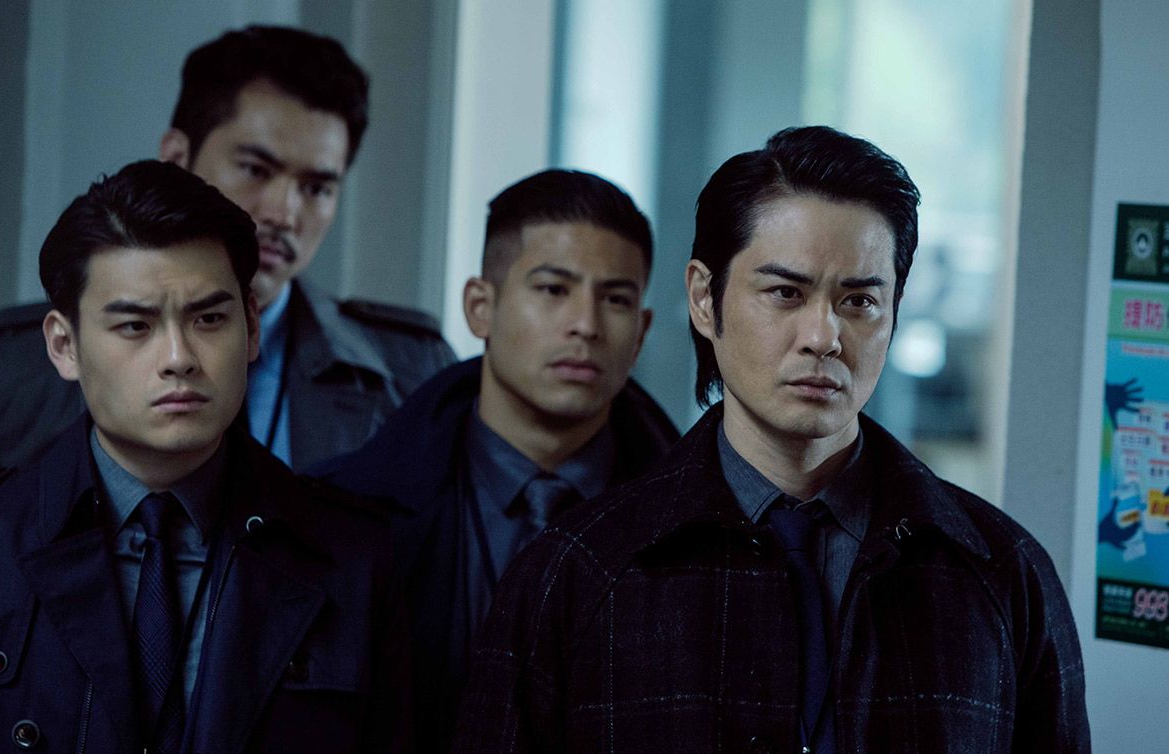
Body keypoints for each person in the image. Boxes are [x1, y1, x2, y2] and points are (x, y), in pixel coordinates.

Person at [0, 25, 454, 744]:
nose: (285, 212)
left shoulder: (403, 373)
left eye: (317, 186)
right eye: (256, 168)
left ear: (247, 327)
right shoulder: (13, 373)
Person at [453, 127, 1090, 753]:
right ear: (704, 299)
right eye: (785, 293)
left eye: (859, 302)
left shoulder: (1001, 573)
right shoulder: (577, 572)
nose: (823, 337)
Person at [314, 169, 679, 752]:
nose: (585, 325)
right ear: (480, 307)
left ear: (641, 332)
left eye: (615, 299)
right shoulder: (339, 512)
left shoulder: (697, 524)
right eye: (553, 290)